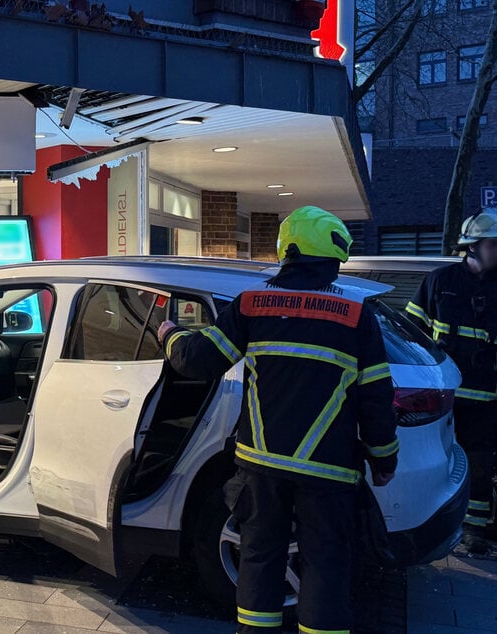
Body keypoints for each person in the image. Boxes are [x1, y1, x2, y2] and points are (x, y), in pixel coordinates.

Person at [158, 206, 398, 634]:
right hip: (328, 471)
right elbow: (376, 399)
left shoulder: (254, 305)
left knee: (259, 557)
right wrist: (384, 461)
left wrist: (169, 334)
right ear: (331, 261)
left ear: (286, 251)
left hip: (261, 467)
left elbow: (198, 360)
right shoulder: (356, 317)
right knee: (325, 563)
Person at [406, 208, 497, 554]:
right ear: (472, 247)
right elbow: (413, 335)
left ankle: (474, 531)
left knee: (480, 464)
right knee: (435, 459)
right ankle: (431, 521)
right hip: (441, 395)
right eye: (494, 245)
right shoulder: (440, 282)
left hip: (486, 399)